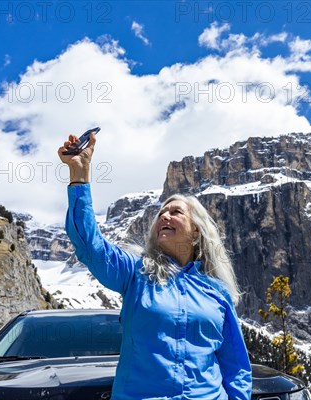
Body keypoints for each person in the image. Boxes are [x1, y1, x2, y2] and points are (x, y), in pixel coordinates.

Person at [58, 132, 252, 400]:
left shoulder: (217, 293)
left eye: (175, 212)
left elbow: (236, 366)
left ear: (196, 232)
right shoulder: (135, 273)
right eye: (161, 213)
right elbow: (91, 247)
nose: (165, 216)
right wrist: (80, 175)